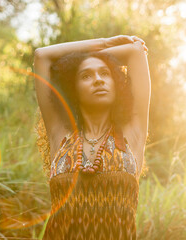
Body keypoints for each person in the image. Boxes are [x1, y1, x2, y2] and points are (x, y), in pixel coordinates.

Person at [33, 35, 151, 239]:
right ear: (73, 89)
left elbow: (135, 51)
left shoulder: (132, 134)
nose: (98, 79)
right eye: (86, 76)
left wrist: (82, 60)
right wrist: (105, 43)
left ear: (116, 84)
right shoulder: (59, 136)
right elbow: (42, 56)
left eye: (105, 73)